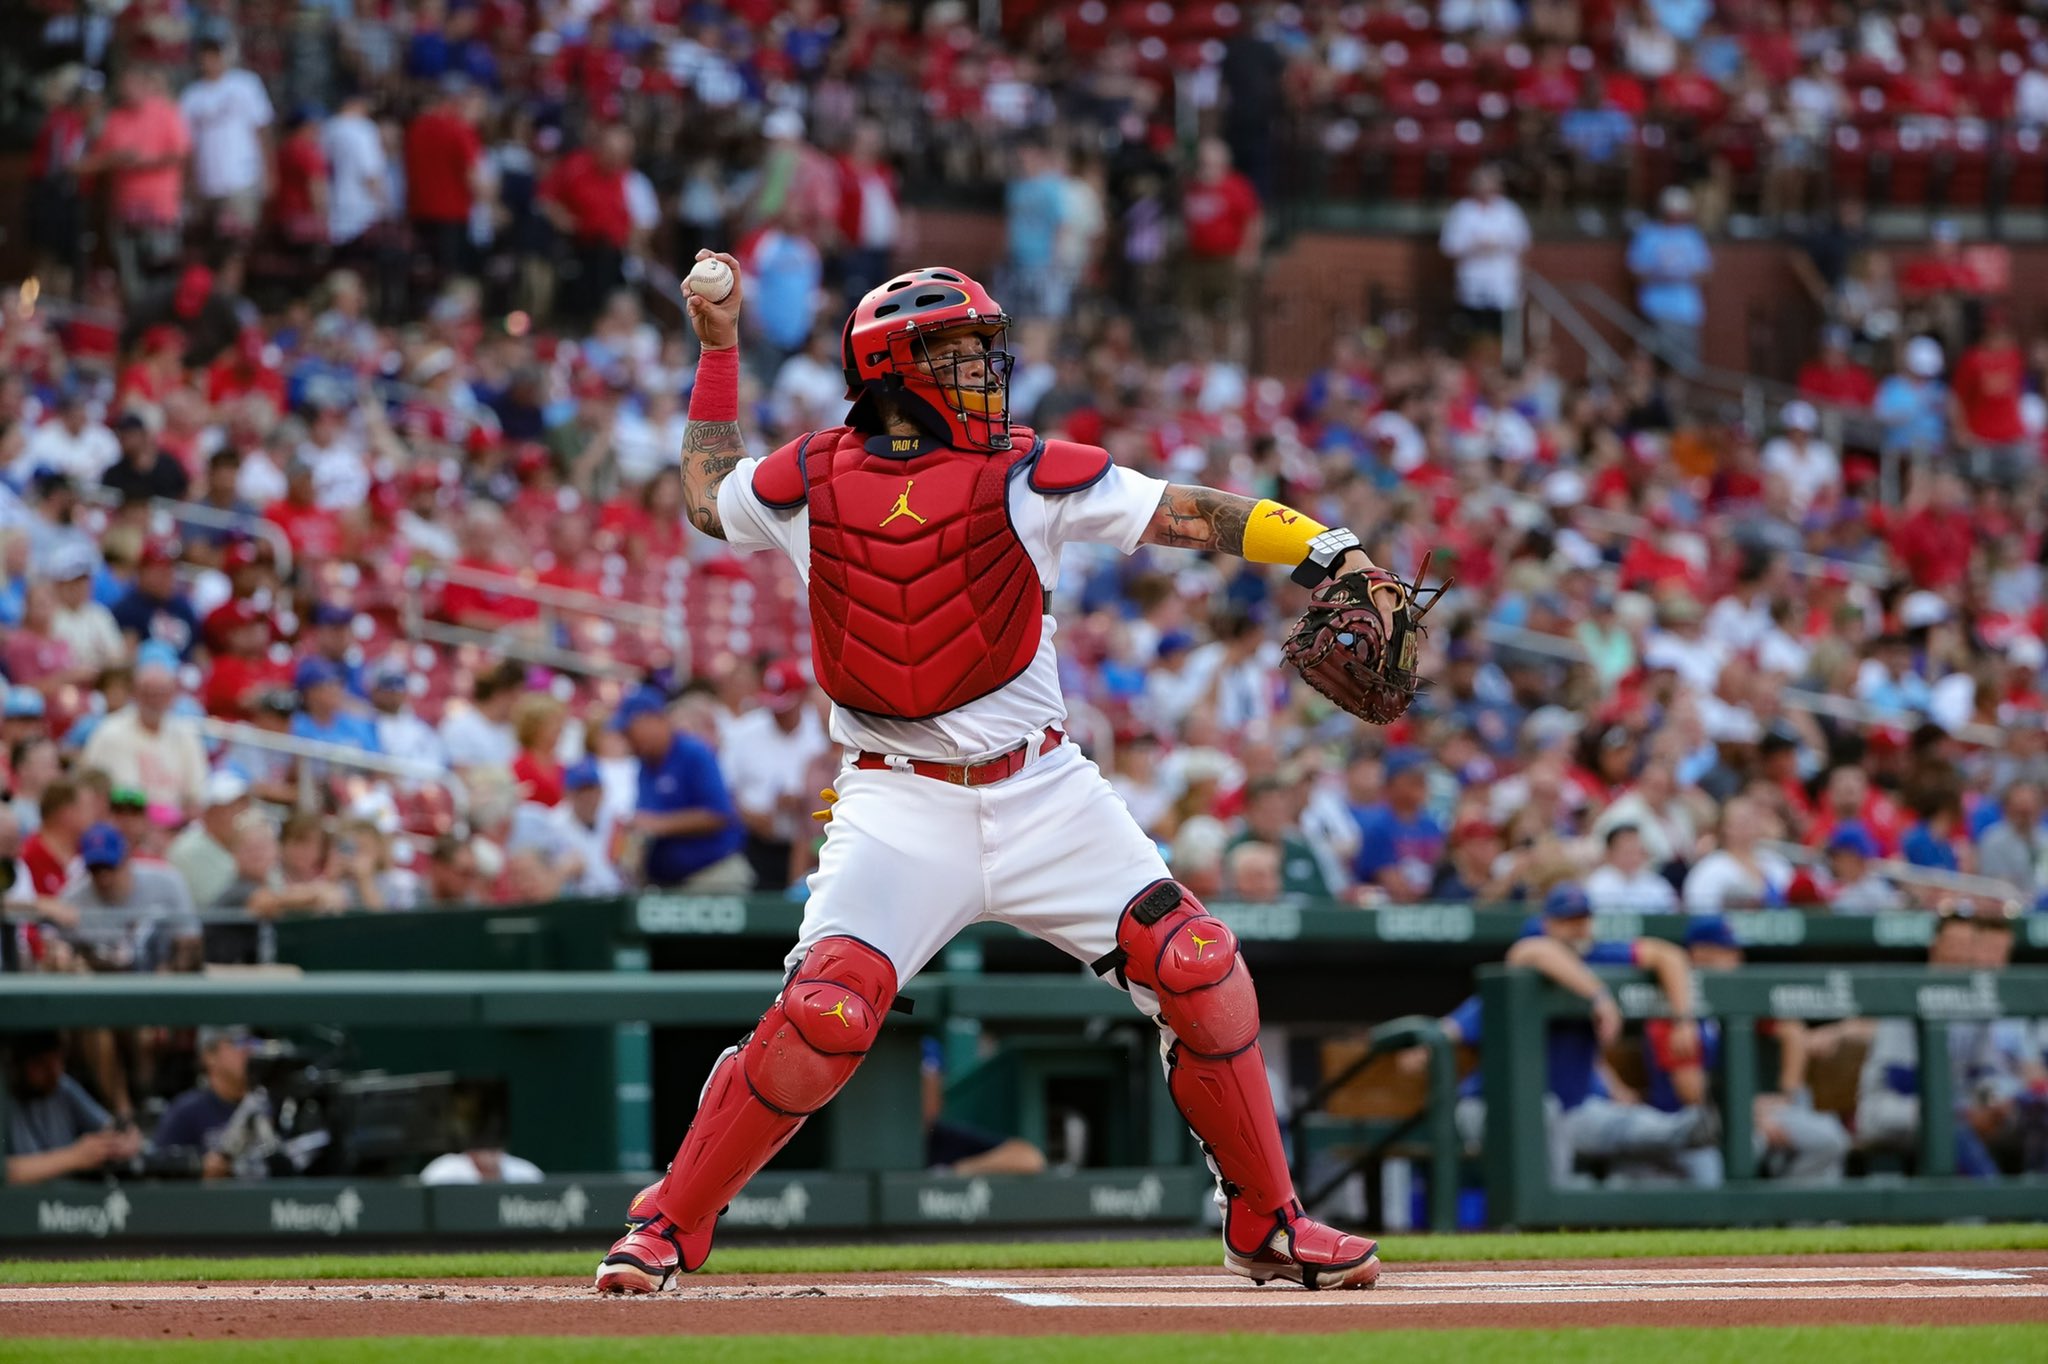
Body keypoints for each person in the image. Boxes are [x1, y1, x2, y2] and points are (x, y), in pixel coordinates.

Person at [596, 254, 1400, 1295]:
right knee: (825, 1014)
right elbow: (706, 500)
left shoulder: (1031, 470)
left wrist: (1326, 550)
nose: (985, 368)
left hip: (1045, 790)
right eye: (958, 350)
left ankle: (1266, 1219)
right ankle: (667, 1222)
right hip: (896, 793)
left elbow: (1188, 512)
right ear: (893, 366)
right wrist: (716, 353)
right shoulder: (809, 476)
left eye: (984, 347)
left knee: (1197, 962)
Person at [1638, 918, 1850, 1184]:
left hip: (1740, 1113)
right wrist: (1749, 1114)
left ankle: (1793, 1219)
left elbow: (1792, 1031)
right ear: (1698, 953)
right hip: (1686, 1124)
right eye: (1725, 951)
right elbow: (1691, 1092)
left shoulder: (1734, 997)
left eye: (1734, 951)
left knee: (1828, 1136)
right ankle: (1745, 1219)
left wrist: (1788, 1094)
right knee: (1745, 1149)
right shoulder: (1673, 1009)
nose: (1736, 959)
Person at [616, 686, 749, 892]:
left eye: (629, 730)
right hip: (667, 882)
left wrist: (658, 824)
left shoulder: (693, 752)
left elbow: (719, 813)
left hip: (712, 873)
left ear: (651, 720)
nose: (627, 739)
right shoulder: (645, 765)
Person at [718, 660, 830, 890]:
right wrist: (749, 815)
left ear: (801, 697)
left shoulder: (820, 730)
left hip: (812, 845)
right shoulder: (743, 732)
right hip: (757, 843)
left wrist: (802, 801)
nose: (778, 713)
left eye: (785, 705)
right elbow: (724, 790)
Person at [63, 822, 204, 974]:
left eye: (110, 867)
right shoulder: (73, 898)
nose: (104, 877)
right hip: (102, 988)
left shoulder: (167, 882)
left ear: (126, 859)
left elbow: (191, 940)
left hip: (162, 984)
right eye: (95, 869)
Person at [4, 1032, 142, 1185]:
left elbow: (110, 1126)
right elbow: (7, 1172)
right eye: (41, 1064)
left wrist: (126, 1139)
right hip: (21, 1204)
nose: (53, 1072)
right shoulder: (6, 1099)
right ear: (16, 1065)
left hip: (72, 1202)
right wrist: (74, 1157)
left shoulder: (61, 1088)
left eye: (57, 1060)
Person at [178, 38, 274, 254]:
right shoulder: (191, 96)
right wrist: (189, 183)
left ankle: (230, 286)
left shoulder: (245, 85)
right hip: (207, 182)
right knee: (210, 244)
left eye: (214, 54)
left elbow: (262, 130)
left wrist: (269, 173)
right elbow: (187, 146)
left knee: (238, 242)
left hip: (242, 177)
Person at [80, 659, 208, 817]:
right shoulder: (109, 732)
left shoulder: (186, 735)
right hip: (123, 820)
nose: (154, 701)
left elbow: (195, 795)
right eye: (147, 693)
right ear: (134, 694)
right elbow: (97, 792)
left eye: (161, 694)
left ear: (172, 696)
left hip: (174, 826)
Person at [1439, 166, 1532, 351]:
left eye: (1491, 187)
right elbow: (1448, 246)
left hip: (1502, 279)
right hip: (1472, 279)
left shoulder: (1509, 211)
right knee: (1474, 327)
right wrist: (1474, 246)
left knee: (1501, 327)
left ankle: (1500, 362)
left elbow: (1523, 243)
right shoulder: (1462, 211)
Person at [152, 1025, 262, 1179]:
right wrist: (197, 1168)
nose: (247, 1051)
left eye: (251, 1043)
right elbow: (157, 1168)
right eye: (237, 1043)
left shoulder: (265, 1104)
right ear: (210, 1056)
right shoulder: (186, 1111)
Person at [1626, 187, 1712, 363]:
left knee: (1685, 365)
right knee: (1657, 362)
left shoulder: (1692, 236)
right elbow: (1634, 272)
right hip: (1655, 309)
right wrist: (1661, 276)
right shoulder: (1648, 234)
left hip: (1688, 312)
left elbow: (1706, 272)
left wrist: (1682, 275)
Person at [1351, 749, 1445, 904]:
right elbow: (1389, 880)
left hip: (1428, 903)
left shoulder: (1431, 825)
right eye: (1412, 779)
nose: (1421, 783)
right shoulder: (1377, 825)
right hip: (1387, 907)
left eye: (1421, 778)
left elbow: (1438, 869)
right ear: (1391, 785)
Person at [167, 770, 253, 911]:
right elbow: (221, 905)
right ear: (209, 813)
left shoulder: (245, 844)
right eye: (232, 807)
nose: (241, 814)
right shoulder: (189, 850)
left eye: (243, 805)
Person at [1583, 823, 1679, 912]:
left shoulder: (1657, 884)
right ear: (1609, 853)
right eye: (1627, 851)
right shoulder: (1597, 885)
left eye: (1636, 850)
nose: (1633, 857)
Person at [1976, 782, 2044, 899]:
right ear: (2007, 808)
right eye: (2021, 810)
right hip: (2007, 907)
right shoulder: (1993, 839)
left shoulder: (2044, 838)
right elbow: (1997, 885)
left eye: (2029, 810)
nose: (2026, 816)